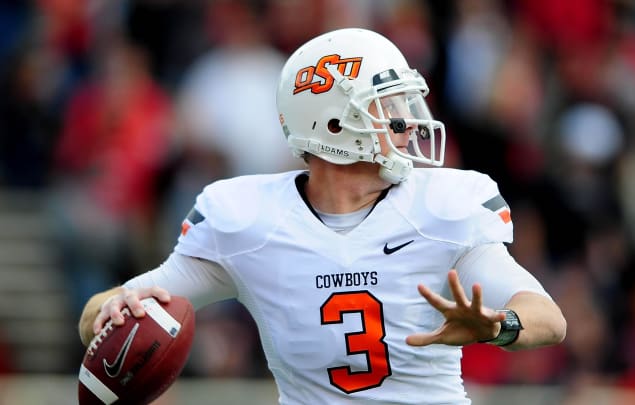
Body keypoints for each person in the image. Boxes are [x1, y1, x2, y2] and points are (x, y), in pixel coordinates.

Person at [78, 28, 566, 404]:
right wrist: (115, 310)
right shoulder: (249, 221)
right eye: (390, 107)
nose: (409, 122)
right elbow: (99, 316)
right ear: (335, 124)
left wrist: (497, 326)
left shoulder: (443, 207)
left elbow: (548, 319)